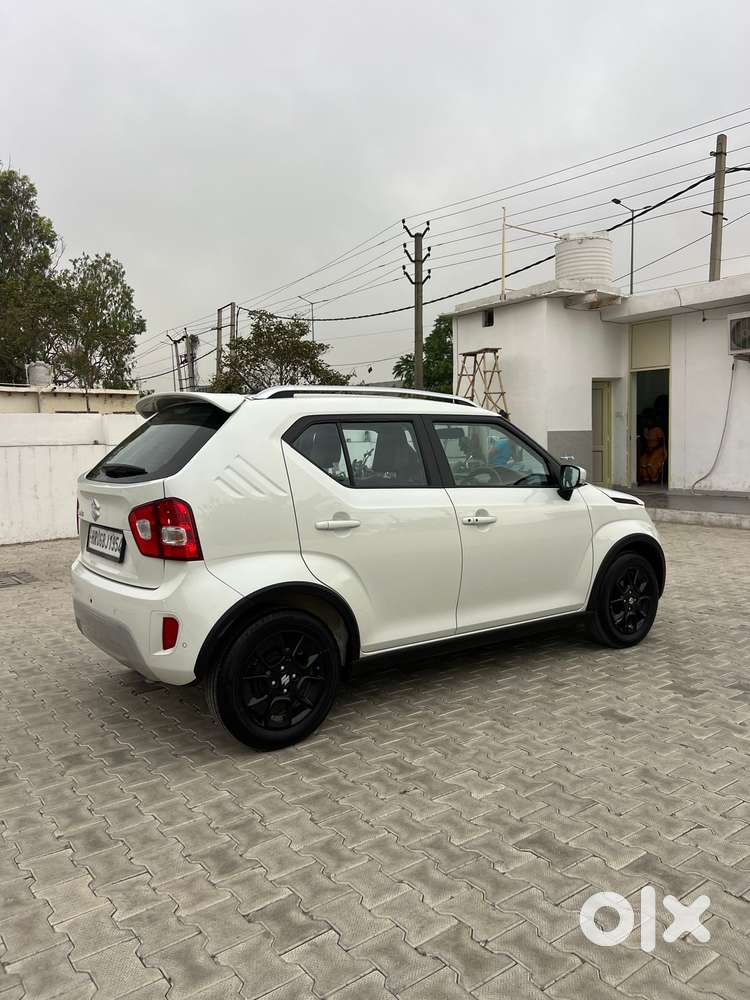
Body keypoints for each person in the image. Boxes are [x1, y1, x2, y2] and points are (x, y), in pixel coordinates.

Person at [638, 410, 667, 484]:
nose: (647, 422)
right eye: (646, 420)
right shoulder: (646, 430)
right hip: (649, 450)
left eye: (649, 420)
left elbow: (661, 442)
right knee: (642, 462)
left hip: (658, 450)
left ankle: (654, 479)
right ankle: (646, 479)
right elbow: (644, 441)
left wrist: (653, 449)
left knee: (650, 464)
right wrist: (647, 449)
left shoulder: (658, 429)